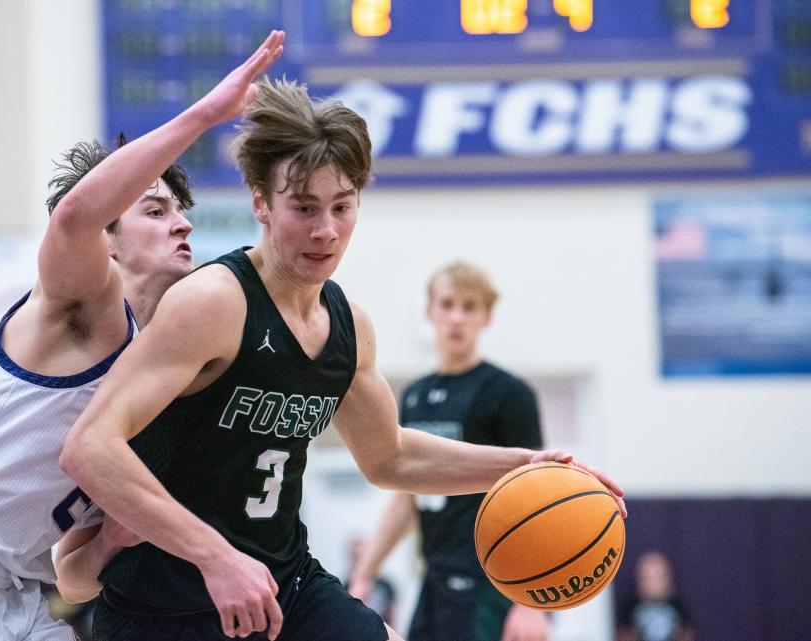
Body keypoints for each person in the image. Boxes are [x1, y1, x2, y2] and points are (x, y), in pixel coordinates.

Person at [57, 75, 627, 641]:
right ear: (261, 201)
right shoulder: (214, 302)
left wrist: (526, 467)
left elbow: (392, 457)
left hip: (288, 588)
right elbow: (90, 445)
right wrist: (216, 557)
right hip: (167, 609)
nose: (325, 230)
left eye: (342, 206)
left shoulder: (348, 325)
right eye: (304, 208)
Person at [0, 31, 285, 641]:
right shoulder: (82, 304)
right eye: (154, 210)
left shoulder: (153, 363)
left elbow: (73, 578)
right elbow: (74, 216)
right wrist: (209, 113)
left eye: (178, 209)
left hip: (16, 595)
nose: (182, 222)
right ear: (107, 242)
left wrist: (111, 536)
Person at [348, 262, 551, 641]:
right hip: (435, 580)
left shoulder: (508, 394)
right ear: (430, 312)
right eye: (447, 304)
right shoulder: (414, 396)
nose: (457, 317)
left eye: (469, 307)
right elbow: (406, 497)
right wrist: (365, 573)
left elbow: (538, 497)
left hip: (492, 586)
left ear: (486, 317)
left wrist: (532, 602)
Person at [616, 551, 694, 641]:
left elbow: (686, 633)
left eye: (658, 577)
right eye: (648, 578)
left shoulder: (678, 606)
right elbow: (624, 634)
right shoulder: (630, 608)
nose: (653, 584)